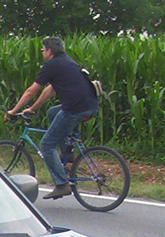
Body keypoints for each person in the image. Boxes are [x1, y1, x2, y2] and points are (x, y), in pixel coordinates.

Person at [6, 36, 99, 200]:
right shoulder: (67, 62)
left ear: (49, 51)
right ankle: (67, 152)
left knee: (47, 144)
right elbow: (50, 90)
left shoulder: (52, 64)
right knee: (52, 113)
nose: (42, 53)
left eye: (42, 50)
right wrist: (33, 108)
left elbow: (31, 91)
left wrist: (13, 111)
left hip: (74, 109)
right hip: (89, 106)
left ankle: (62, 184)